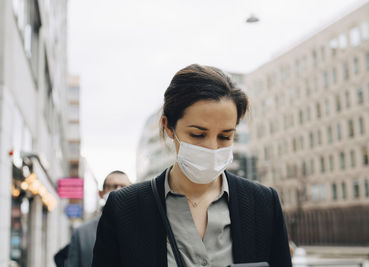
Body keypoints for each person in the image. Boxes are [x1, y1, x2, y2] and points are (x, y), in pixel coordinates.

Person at [92, 64, 292, 267]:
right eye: (198, 134)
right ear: (167, 126)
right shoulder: (124, 208)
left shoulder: (263, 204)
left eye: (225, 136)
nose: (212, 147)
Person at [66, 170, 131, 267]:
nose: (119, 190)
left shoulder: (143, 229)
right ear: (101, 193)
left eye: (124, 187)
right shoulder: (81, 234)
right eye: (113, 186)